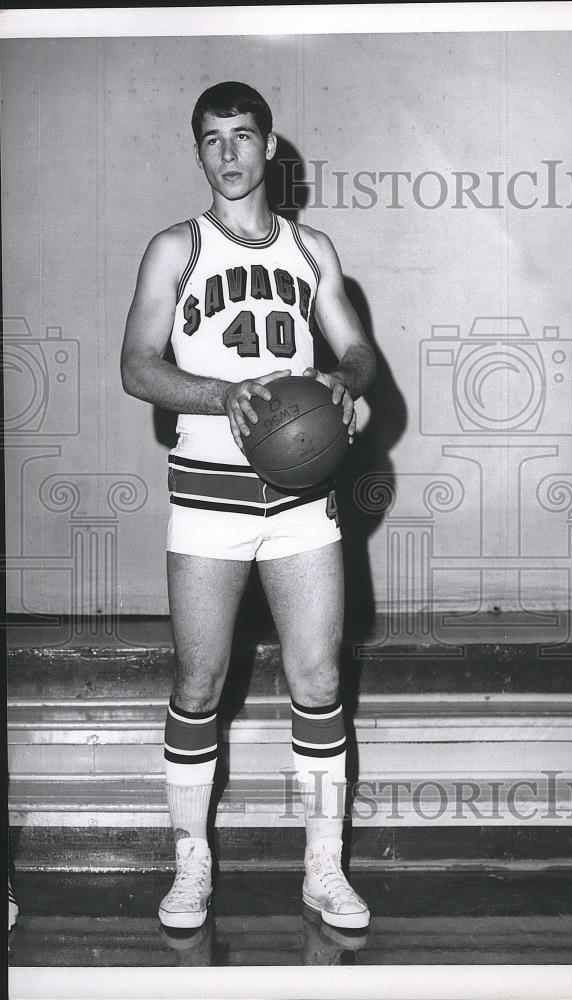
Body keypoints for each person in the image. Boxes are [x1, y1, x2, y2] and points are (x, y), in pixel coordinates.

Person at [121, 81, 376, 933]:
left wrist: (345, 381)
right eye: (211, 139)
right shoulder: (174, 248)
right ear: (198, 152)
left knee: (319, 678)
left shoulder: (311, 250)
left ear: (270, 147)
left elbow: (357, 347)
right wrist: (221, 392)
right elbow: (136, 365)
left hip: (303, 501)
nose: (228, 153)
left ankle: (323, 868)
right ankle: (191, 863)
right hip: (208, 498)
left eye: (242, 136)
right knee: (197, 684)